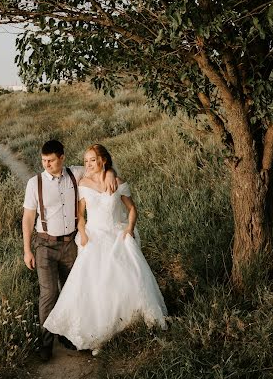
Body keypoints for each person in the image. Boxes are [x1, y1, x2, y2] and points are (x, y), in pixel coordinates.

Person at [43, 144, 167, 355]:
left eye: (92, 160)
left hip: (116, 235)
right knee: (96, 285)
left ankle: (128, 324)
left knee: (128, 280)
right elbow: (80, 215)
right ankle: (97, 334)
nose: (88, 164)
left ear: (103, 161)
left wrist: (129, 229)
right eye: (86, 161)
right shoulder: (82, 182)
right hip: (94, 236)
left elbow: (132, 208)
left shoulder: (116, 182)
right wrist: (82, 234)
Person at [22, 140, 117, 361]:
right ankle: (46, 343)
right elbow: (27, 218)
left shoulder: (75, 173)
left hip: (70, 244)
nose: (46, 164)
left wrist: (110, 172)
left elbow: (97, 167)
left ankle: (69, 335)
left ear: (62, 157)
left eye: (51, 160)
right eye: (43, 160)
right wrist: (27, 250)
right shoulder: (34, 183)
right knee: (49, 294)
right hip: (45, 244)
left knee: (72, 290)